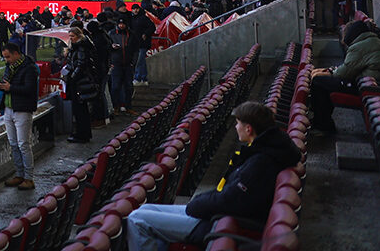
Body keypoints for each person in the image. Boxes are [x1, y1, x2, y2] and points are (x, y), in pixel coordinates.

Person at [124, 102, 301, 251]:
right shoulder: (265, 151)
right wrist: (200, 202)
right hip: (219, 216)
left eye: (238, 123)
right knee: (143, 211)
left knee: (137, 220)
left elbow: (232, 200)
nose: (235, 127)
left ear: (248, 129)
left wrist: (197, 204)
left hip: (218, 224)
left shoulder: (261, 162)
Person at [311, 19, 380, 133]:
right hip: (370, 83)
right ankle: (322, 123)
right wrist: (329, 71)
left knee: (319, 82)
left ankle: (323, 125)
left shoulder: (360, 46)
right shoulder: (371, 41)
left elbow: (343, 73)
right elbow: (349, 67)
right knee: (323, 81)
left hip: (365, 88)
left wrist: (328, 72)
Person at [0, 41, 39, 191]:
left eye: (7, 57)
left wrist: (10, 87)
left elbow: (29, 89)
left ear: (15, 54)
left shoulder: (30, 68)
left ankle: (28, 177)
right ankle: (20, 174)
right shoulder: (11, 67)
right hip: (9, 108)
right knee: (13, 144)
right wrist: (0, 85)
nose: (6, 60)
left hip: (22, 109)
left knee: (23, 145)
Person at [63, 25, 97, 142]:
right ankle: (82, 133)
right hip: (80, 81)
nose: (70, 38)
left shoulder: (81, 48)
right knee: (81, 109)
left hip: (79, 82)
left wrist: (72, 77)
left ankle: (82, 134)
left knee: (80, 109)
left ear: (78, 36)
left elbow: (81, 65)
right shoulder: (79, 47)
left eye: (72, 36)